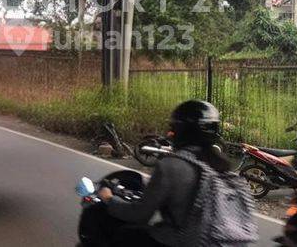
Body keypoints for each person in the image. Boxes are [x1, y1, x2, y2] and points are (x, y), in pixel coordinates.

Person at [97, 99, 254, 247]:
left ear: (181, 131)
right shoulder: (225, 168)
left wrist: (109, 199)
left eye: (173, 128)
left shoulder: (171, 166)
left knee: (124, 235)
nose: (170, 133)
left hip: (182, 241)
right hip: (222, 242)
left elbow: (140, 214)